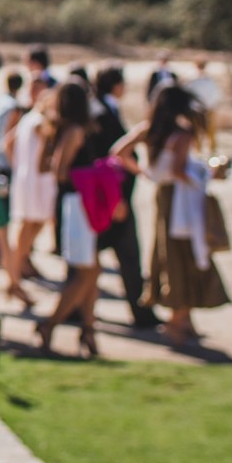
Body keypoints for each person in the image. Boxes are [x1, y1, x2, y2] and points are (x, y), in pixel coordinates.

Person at [117, 84, 229, 347]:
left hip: (162, 195)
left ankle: (184, 318)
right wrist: (204, 175)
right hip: (180, 199)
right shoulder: (181, 134)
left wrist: (145, 171)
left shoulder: (149, 129)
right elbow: (179, 170)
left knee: (168, 249)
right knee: (182, 252)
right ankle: (177, 319)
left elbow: (119, 152)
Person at [33, 78, 104, 358]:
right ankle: (50, 324)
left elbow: (43, 165)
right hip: (77, 203)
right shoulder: (74, 130)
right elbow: (60, 171)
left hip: (73, 203)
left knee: (91, 270)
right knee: (86, 271)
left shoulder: (60, 129)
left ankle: (88, 328)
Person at [92, 65, 158, 330]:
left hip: (111, 197)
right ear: (116, 85)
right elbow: (105, 158)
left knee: (111, 255)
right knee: (128, 254)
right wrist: (116, 198)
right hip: (113, 198)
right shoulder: (102, 113)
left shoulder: (104, 109)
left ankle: (140, 310)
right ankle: (141, 312)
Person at [3, 86, 57, 309]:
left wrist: (19, 165)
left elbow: (6, 143)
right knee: (27, 229)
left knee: (32, 226)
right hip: (36, 182)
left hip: (28, 179)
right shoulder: (38, 123)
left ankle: (17, 271)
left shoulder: (27, 119)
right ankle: (14, 278)